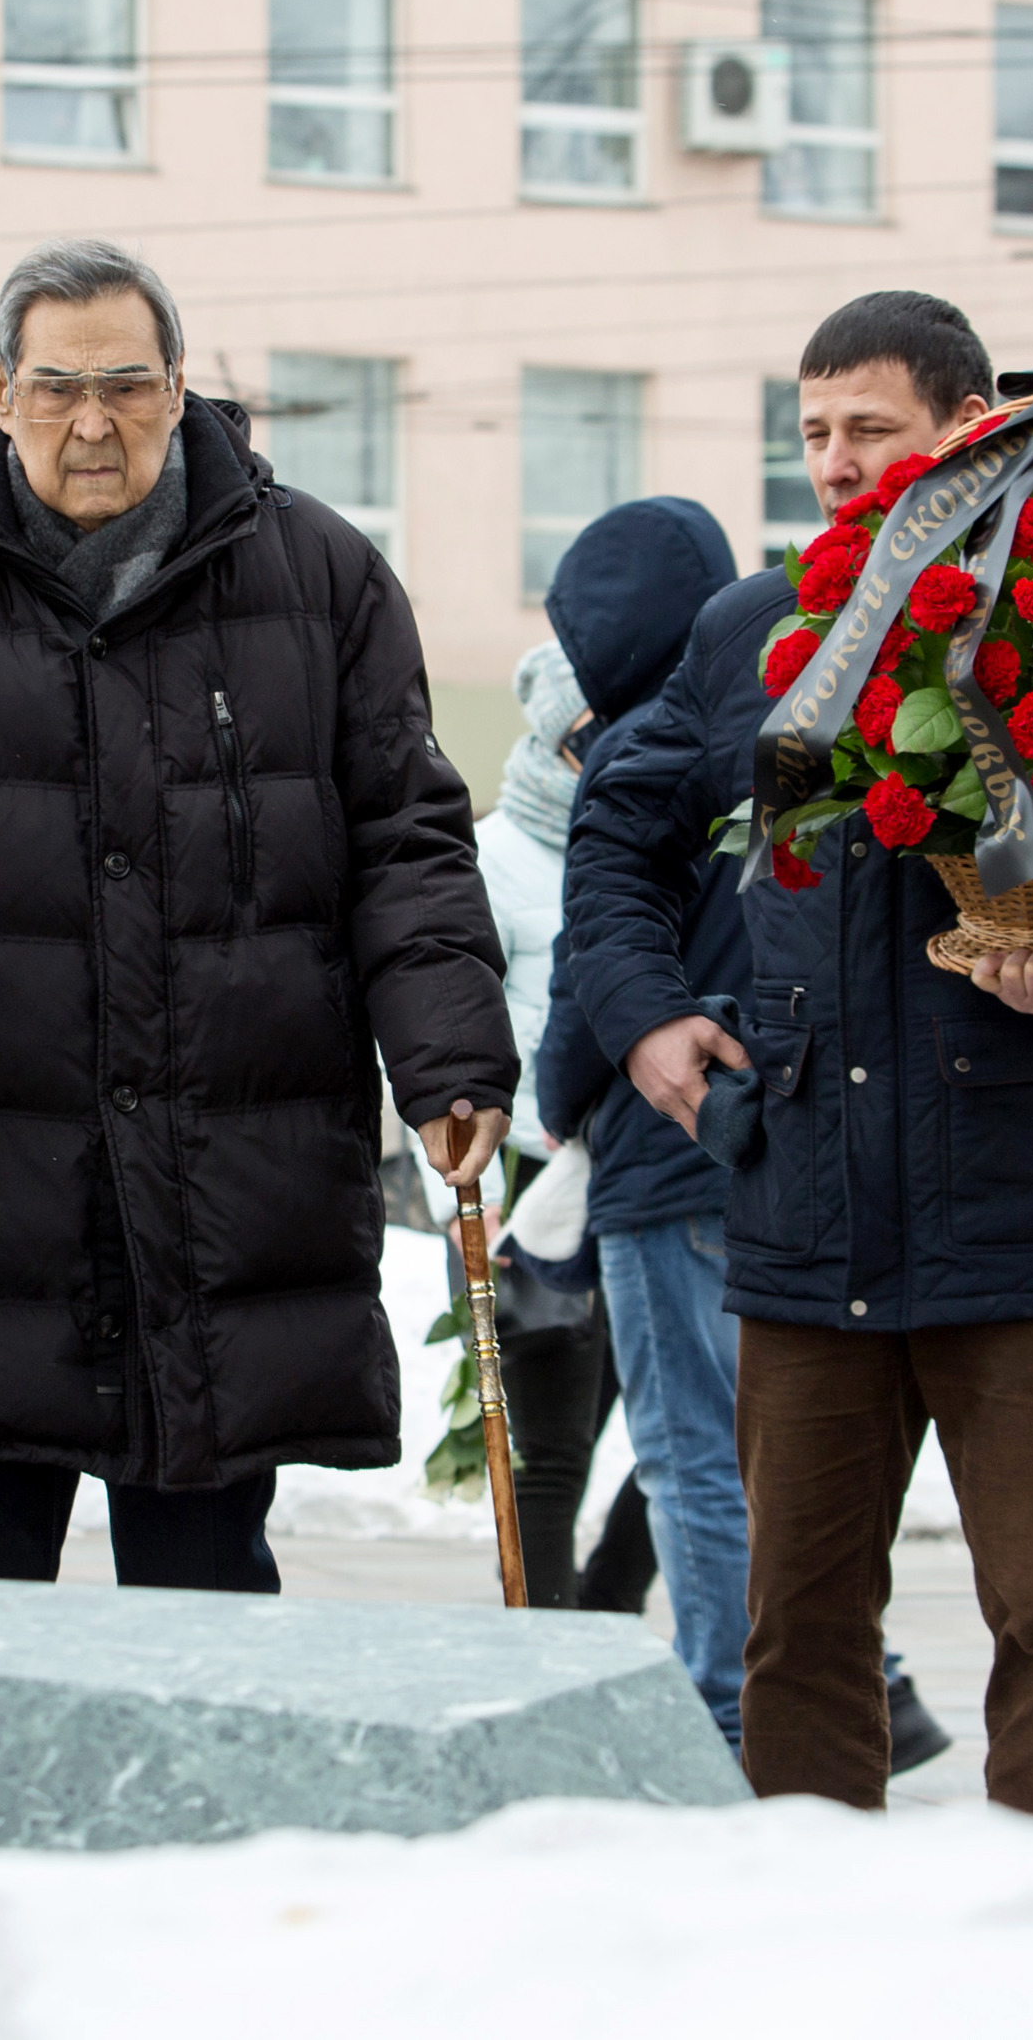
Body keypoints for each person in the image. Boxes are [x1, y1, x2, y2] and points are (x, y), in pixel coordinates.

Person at [0, 239, 519, 1590]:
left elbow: (406, 838)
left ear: (181, 385)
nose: (95, 425)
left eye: (130, 389)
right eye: (59, 389)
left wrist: (448, 1055)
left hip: (220, 1179)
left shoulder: (315, 575)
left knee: (203, 1595)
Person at [564, 291, 1033, 1820]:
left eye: (871, 429)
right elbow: (614, 824)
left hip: (1024, 1217)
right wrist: (645, 1013)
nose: (839, 462)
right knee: (796, 1634)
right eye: (813, 434)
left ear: (964, 427)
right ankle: (817, 1958)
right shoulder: (750, 632)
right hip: (802, 1211)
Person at [538, 494, 950, 1770]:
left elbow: (581, 982)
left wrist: (558, 1102)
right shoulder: (799, 714)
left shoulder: (636, 758)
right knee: (780, 1461)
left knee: (692, 1461)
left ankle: (727, 1704)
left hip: (664, 1156)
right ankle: (862, 1682)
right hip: (788, 1138)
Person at [464, 640, 616, 1607]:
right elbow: (453, 1033)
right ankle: (550, 1656)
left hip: (639, 1169)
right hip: (529, 1177)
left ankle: (605, 1603)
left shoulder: (647, 836)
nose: (603, 753)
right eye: (585, 737)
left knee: (701, 1432)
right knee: (552, 1455)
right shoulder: (493, 853)